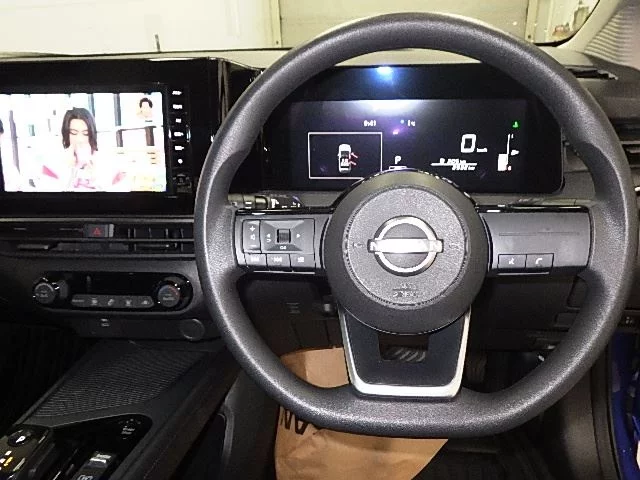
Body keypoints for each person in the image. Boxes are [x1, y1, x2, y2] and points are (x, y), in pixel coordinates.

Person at [39, 107, 124, 191]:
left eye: (85, 133)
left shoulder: (107, 161)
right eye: (74, 133)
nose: (80, 139)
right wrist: (68, 170)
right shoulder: (52, 163)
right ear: (66, 134)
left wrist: (97, 177)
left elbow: (120, 191)